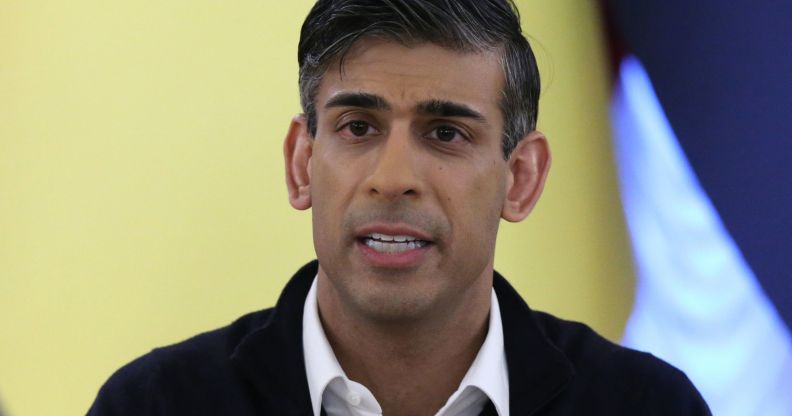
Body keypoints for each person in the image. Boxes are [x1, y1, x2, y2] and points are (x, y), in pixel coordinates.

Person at [88, 1, 711, 415]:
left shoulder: (646, 406)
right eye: (358, 127)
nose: (392, 179)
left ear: (520, 178)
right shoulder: (154, 405)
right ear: (301, 163)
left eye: (445, 133)